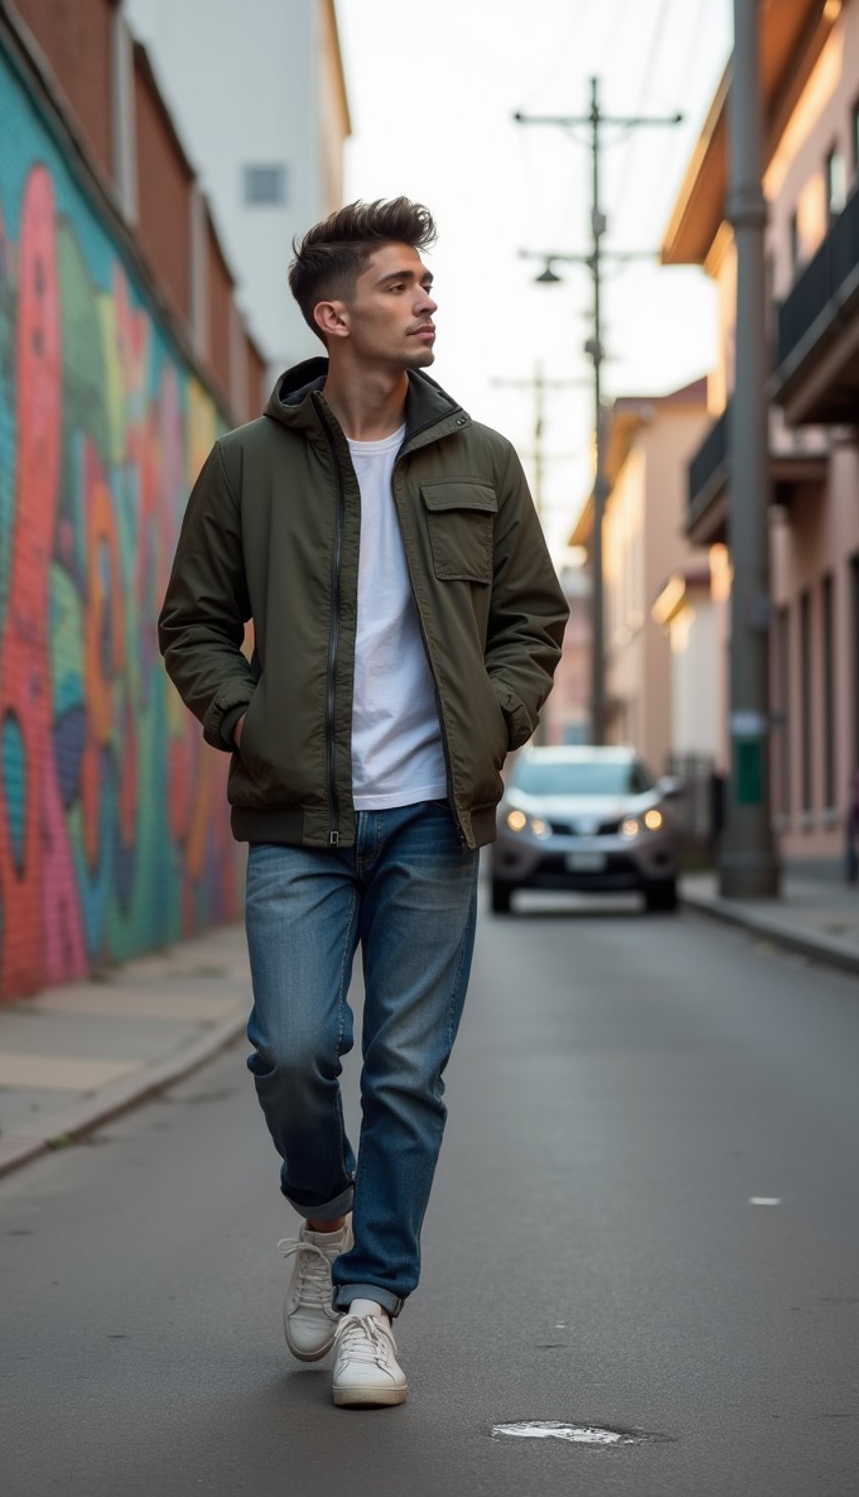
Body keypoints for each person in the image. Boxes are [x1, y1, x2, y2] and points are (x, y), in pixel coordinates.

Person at [158, 198, 568, 1408]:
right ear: (336, 317)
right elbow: (191, 623)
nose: (425, 298)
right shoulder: (245, 463)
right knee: (293, 1051)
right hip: (299, 816)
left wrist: (489, 723)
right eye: (400, 284)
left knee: (404, 1071)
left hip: (434, 818)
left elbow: (531, 620)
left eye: (426, 282)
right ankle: (323, 1213)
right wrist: (246, 720)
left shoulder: (480, 459)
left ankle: (370, 1304)